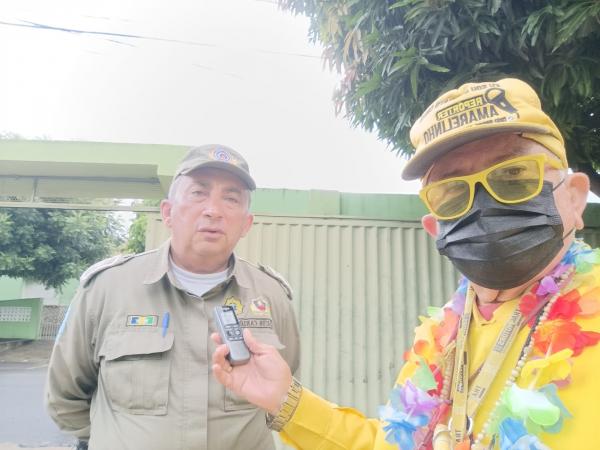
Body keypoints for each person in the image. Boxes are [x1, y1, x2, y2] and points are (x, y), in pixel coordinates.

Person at [211, 79, 600, 449]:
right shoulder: (441, 336)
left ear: (575, 197)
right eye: (452, 191)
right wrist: (285, 401)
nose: (484, 203)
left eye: (514, 175)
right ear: (435, 229)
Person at [45, 144, 301, 450]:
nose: (213, 210)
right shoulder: (106, 288)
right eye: (198, 193)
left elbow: (285, 393)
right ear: (168, 212)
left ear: (246, 223)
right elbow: (65, 398)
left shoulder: (270, 295)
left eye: (231, 198)